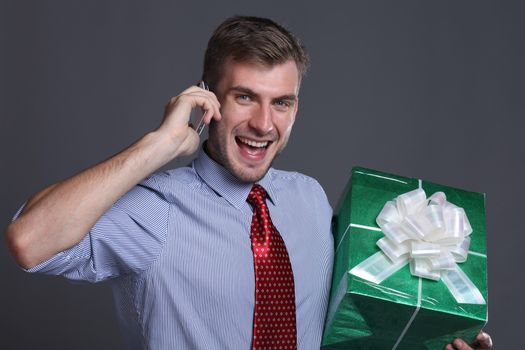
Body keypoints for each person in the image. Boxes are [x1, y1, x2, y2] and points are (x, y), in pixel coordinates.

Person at [5, 16, 491, 350]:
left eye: (282, 102)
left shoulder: (310, 199)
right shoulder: (156, 210)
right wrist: (160, 144)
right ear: (206, 97)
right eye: (244, 97)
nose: (263, 123)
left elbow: (341, 331)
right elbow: (29, 240)